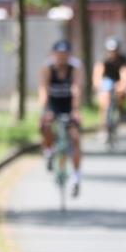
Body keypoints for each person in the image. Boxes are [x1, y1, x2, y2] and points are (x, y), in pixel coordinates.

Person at [39, 39, 84, 197]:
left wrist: (76, 110)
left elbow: (77, 89)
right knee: (45, 126)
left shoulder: (75, 68)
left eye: (65, 55)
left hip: (68, 105)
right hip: (53, 104)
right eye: (59, 55)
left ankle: (76, 177)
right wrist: (45, 110)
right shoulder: (48, 68)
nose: (62, 58)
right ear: (54, 55)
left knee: (75, 138)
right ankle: (49, 151)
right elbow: (43, 90)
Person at [92, 37, 126, 129]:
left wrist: (125, 84)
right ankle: (104, 126)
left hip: (118, 79)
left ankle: (120, 111)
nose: (113, 53)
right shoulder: (103, 58)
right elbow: (98, 72)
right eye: (111, 50)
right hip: (107, 79)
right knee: (104, 102)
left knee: (122, 93)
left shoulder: (123, 59)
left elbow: (125, 72)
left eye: (115, 50)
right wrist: (97, 84)